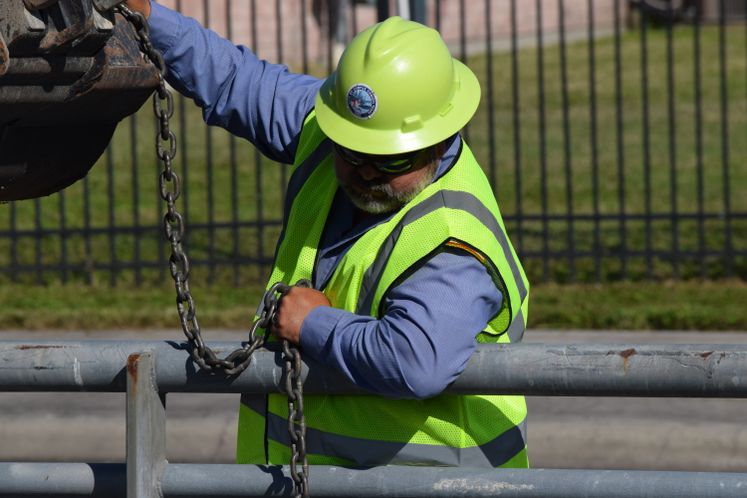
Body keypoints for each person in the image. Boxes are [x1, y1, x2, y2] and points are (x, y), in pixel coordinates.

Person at [124, 0, 530, 469]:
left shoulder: (454, 237)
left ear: (439, 138)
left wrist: (312, 324)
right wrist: (146, 15)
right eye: (351, 151)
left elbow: (417, 361)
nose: (364, 171)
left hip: (433, 482)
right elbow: (235, 79)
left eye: (390, 159)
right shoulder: (334, 126)